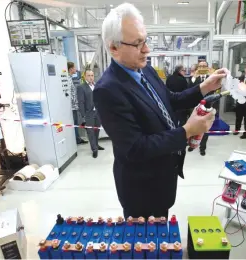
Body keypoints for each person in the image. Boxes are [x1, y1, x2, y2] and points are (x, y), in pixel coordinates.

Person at [94, 3, 226, 219]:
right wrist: (187, 131)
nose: (147, 49)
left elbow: (169, 100)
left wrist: (205, 87)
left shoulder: (144, 68)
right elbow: (135, 148)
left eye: (145, 40)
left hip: (163, 175)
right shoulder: (107, 90)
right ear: (114, 48)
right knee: (145, 246)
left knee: (162, 232)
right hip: (141, 188)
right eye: (138, 44)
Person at [187, 60, 213, 156]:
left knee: (205, 127)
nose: (202, 68)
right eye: (200, 66)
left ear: (207, 67)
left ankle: (203, 147)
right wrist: (193, 77)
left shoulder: (211, 78)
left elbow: (214, 91)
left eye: (204, 66)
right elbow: (189, 90)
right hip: (195, 106)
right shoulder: (194, 78)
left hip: (207, 106)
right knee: (193, 125)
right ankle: (192, 144)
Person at [77, 69, 105, 158]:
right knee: (90, 132)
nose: (91, 77)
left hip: (98, 112)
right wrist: (83, 116)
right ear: (85, 76)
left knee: (97, 130)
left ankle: (96, 145)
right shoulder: (81, 87)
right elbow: (80, 102)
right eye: (89, 75)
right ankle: (94, 149)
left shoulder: (96, 85)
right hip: (88, 113)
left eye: (92, 75)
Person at [67, 62, 86, 145]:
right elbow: (68, 94)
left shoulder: (69, 78)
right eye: (74, 67)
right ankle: (77, 139)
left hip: (74, 106)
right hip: (71, 106)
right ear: (71, 69)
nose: (76, 69)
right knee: (74, 123)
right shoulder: (67, 79)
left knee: (75, 122)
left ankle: (77, 138)